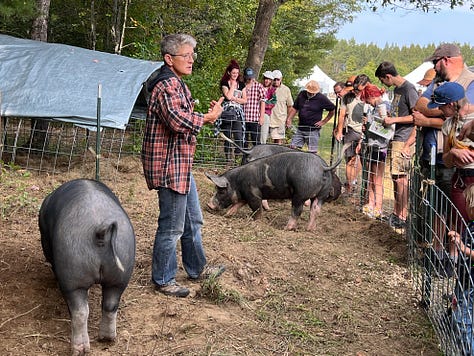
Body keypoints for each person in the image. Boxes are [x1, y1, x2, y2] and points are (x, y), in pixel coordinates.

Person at [141, 34, 225, 298]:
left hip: (181, 164)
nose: (191, 60)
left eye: (192, 55)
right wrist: (207, 118)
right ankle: (164, 279)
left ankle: (197, 268)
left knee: (192, 221)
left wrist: (206, 116)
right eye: (185, 56)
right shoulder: (166, 85)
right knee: (172, 226)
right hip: (169, 166)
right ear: (169, 59)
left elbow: (184, 116)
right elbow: (177, 121)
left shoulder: (176, 83)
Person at [375, 61, 418, 229]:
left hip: (405, 138)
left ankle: (403, 215)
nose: (382, 84)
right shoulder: (397, 91)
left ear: (388, 76)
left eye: (382, 80)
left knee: (401, 178)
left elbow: (417, 117)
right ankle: (396, 212)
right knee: (395, 177)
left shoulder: (409, 89)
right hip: (395, 136)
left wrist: (394, 119)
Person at [433, 82, 474, 224]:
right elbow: (447, 161)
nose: (439, 109)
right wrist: (453, 152)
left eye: (441, 106)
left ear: (450, 104)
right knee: (460, 225)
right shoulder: (448, 124)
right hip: (461, 179)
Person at [447, 182, 474, 355]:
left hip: (472, 284)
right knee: (461, 317)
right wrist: (459, 239)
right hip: (465, 280)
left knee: (463, 321)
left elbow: (467, 249)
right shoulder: (471, 225)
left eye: (468, 204)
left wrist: (463, 249)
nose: (465, 208)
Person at [360, 83, 394, 219]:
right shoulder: (373, 108)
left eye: (367, 99)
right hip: (372, 144)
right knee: (371, 176)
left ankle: (378, 206)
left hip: (381, 146)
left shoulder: (384, 106)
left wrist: (372, 121)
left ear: (371, 96)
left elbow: (387, 126)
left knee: (377, 178)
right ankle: (370, 203)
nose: (367, 102)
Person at [334, 75, 365, 197]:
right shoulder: (347, 98)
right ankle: (350, 186)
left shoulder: (365, 96)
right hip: (351, 130)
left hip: (363, 131)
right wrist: (340, 130)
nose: (351, 89)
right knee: (350, 159)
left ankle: (354, 182)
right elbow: (342, 115)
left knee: (362, 160)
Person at [285, 80, 335, 153]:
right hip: (300, 128)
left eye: (313, 92)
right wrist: (289, 119)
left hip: (313, 130)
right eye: (309, 92)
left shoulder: (321, 98)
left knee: (312, 152)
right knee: (292, 148)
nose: (311, 94)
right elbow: (295, 108)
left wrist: (324, 121)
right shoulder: (302, 94)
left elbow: (332, 109)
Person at [215, 59, 248, 162]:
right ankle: (228, 159)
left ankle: (237, 158)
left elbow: (245, 100)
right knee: (227, 136)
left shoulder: (242, 84)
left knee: (238, 135)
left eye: (237, 73)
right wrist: (233, 86)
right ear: (229, 72)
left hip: (238, 112)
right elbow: (228, 96)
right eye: (233, 73)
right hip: (227, 112)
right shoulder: (225, 83)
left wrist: (236, 99)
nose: (235, 75)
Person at [243, 67, 266, 148]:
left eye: (251, 77)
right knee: (243, 141)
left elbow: (263, 101)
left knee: (256, 141)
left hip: (255, 118)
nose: (250, 79)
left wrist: (261, 117)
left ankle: (257, 158)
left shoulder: (259, 86)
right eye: (248, 78)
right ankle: (244, 159)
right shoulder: (242, 86)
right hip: (243, 118)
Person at [269, 69, 293, 144]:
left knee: (278, 143)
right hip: (268, 119)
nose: (276, 81)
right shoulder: (267, 88)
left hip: (280, 120)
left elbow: (290, 106)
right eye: (274, 79)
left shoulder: (286, 90)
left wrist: (288, 119)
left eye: (278, 79)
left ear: (281, 79)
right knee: (264, 142)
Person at [260, 70, 276, 144]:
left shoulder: (272, 90)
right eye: (266, 78)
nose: (267, 81)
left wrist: (264, 104)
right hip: (256, 112)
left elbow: (273, 102)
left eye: (269, 79)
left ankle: (262, 148)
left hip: (266, 113)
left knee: (263, 134)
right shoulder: (259, 87)